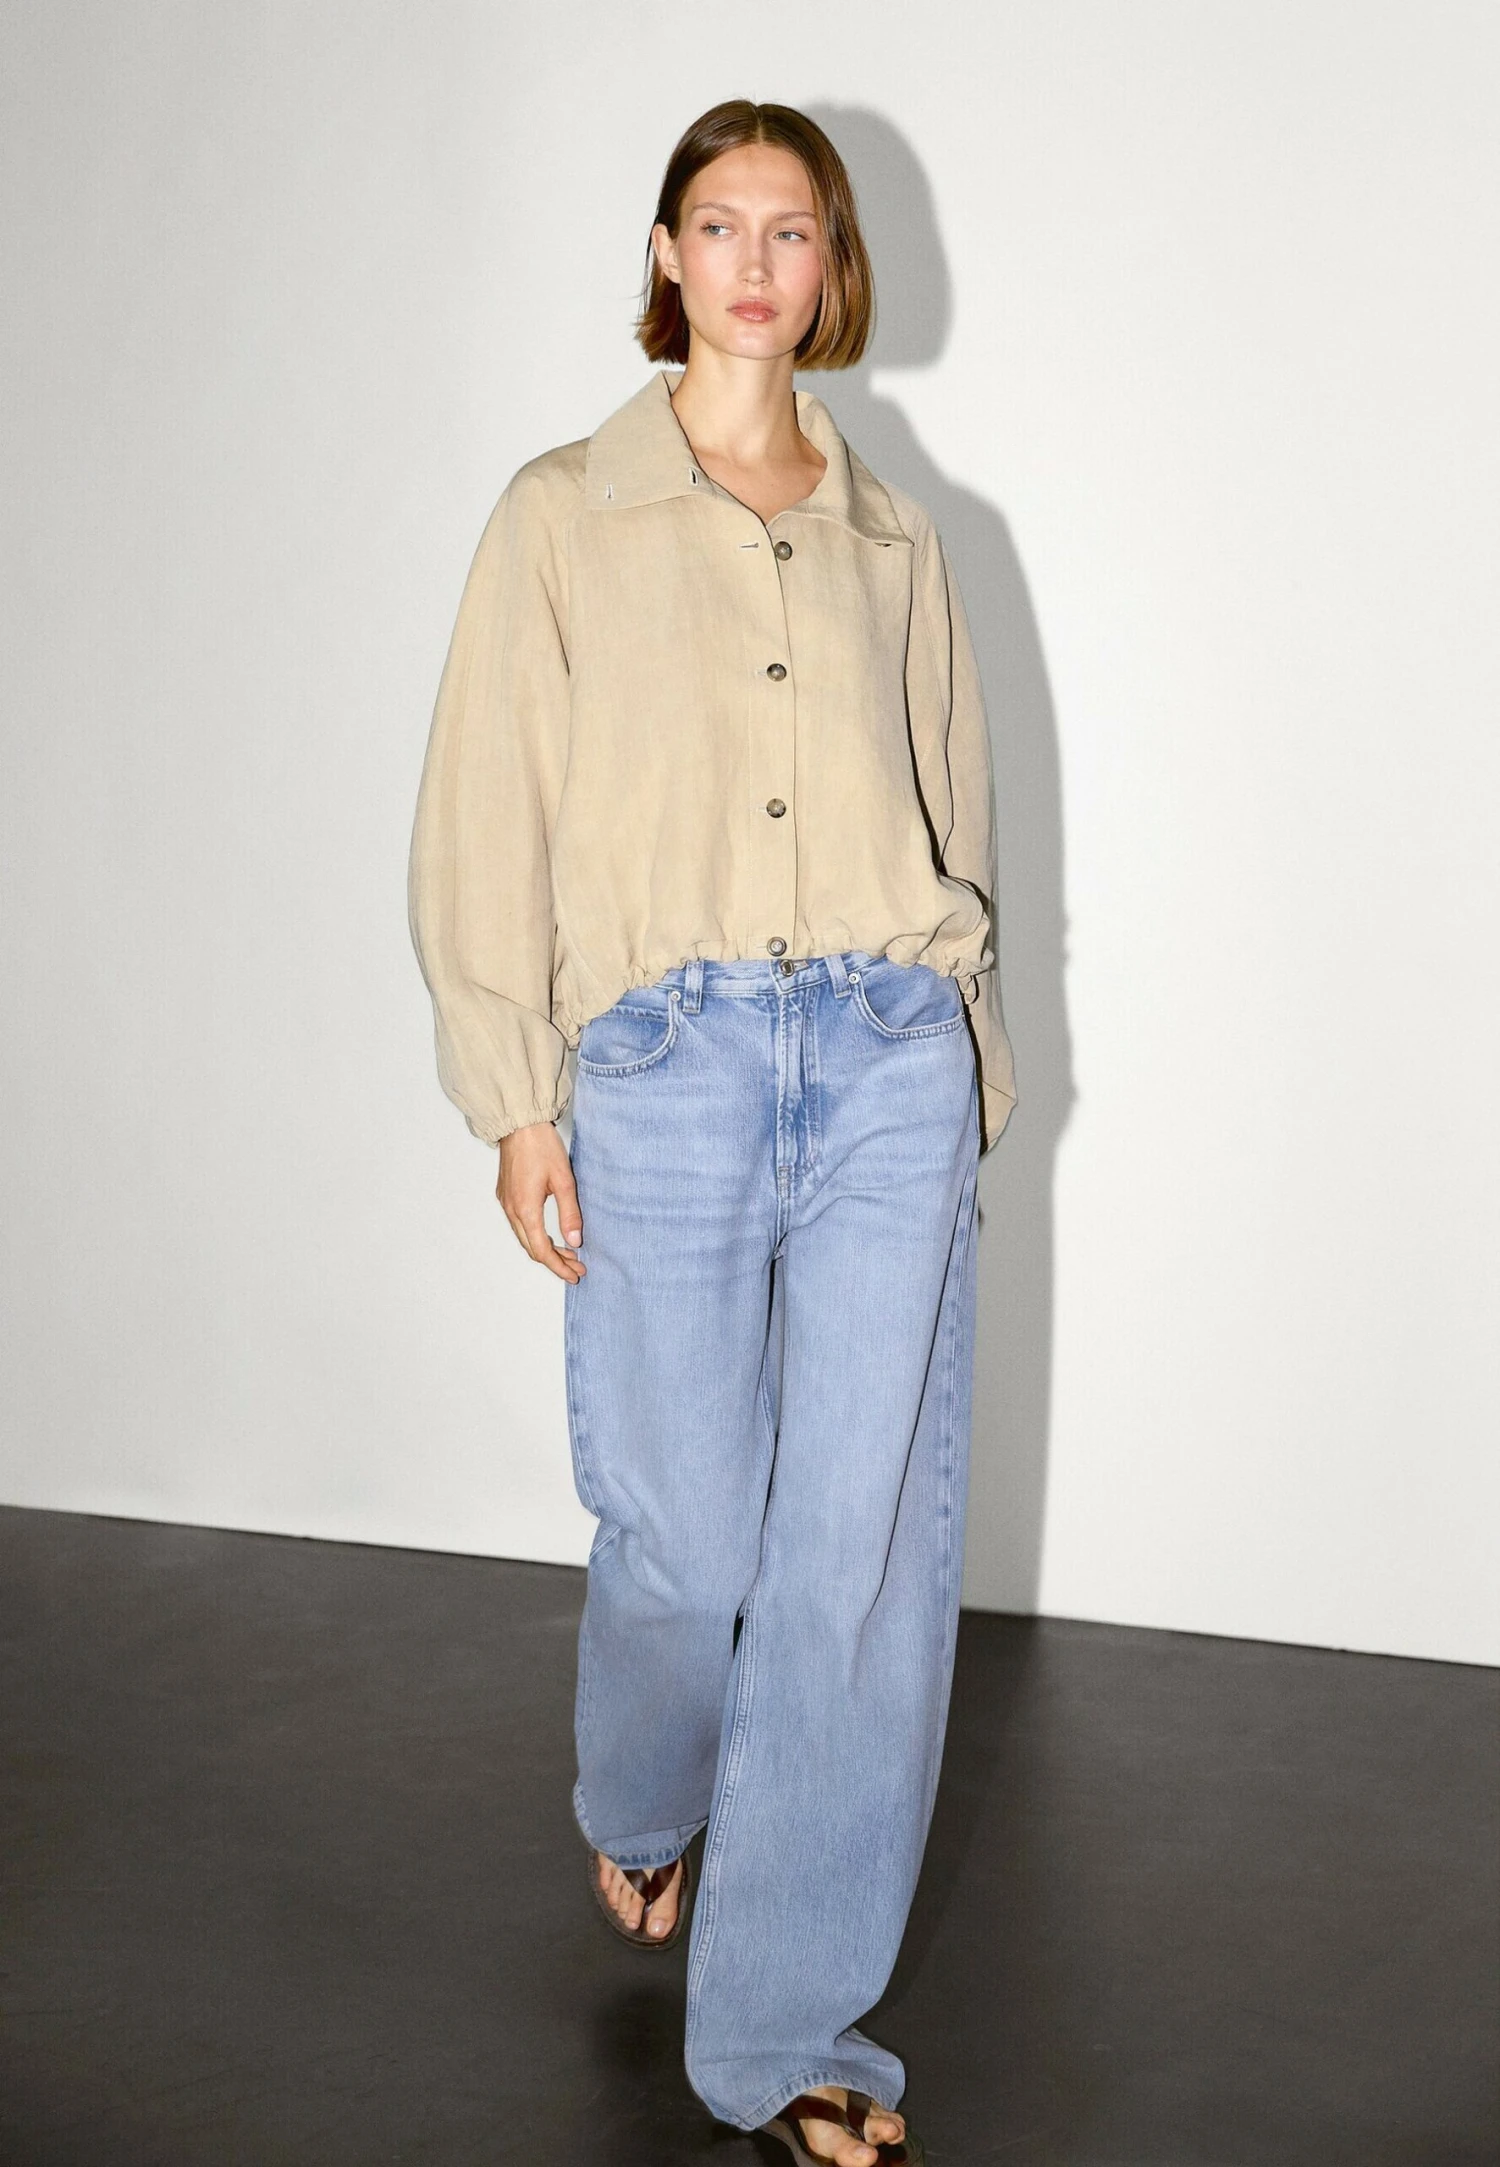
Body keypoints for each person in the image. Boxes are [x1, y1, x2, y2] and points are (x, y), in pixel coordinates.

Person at [408, 96, 1016, 2167]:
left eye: (792, 228)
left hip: (887, 1058)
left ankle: (786, 2032)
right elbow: (482, 811)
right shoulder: (562, 515)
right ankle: (643, 1796)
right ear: (668, 255)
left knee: (856, 1565)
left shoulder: (894, 535)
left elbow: (957, 810)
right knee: (688, 1535)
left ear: (831, 264)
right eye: (720, 224)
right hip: (663, 1067)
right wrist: (515, 1096)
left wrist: (973, 1063)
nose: (758, 262)